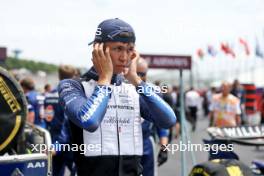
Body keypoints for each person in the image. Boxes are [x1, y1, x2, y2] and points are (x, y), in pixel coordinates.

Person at [58, 18, 176, 176]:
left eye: (129, 49)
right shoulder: (73, 86)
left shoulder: (131, 88)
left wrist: (136, 80)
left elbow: (168, 120)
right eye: (118, 48)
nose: (124, 57)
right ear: (98, 49)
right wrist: (105, 79)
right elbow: (89, 120)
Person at [137, 58, 169, 176]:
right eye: (136, 73)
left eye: (142, 74)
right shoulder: (120, 88)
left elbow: (162, 124)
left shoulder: (154, 91)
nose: (139, 77)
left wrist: (164, 147)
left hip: (146, 142)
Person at [44, 65, 77, 176]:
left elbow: (47, 119)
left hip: (51, 141)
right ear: (73, 77)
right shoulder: (72, 96)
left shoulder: (48, 96)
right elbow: (65, 125)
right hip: (66, 144)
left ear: (58, 76)